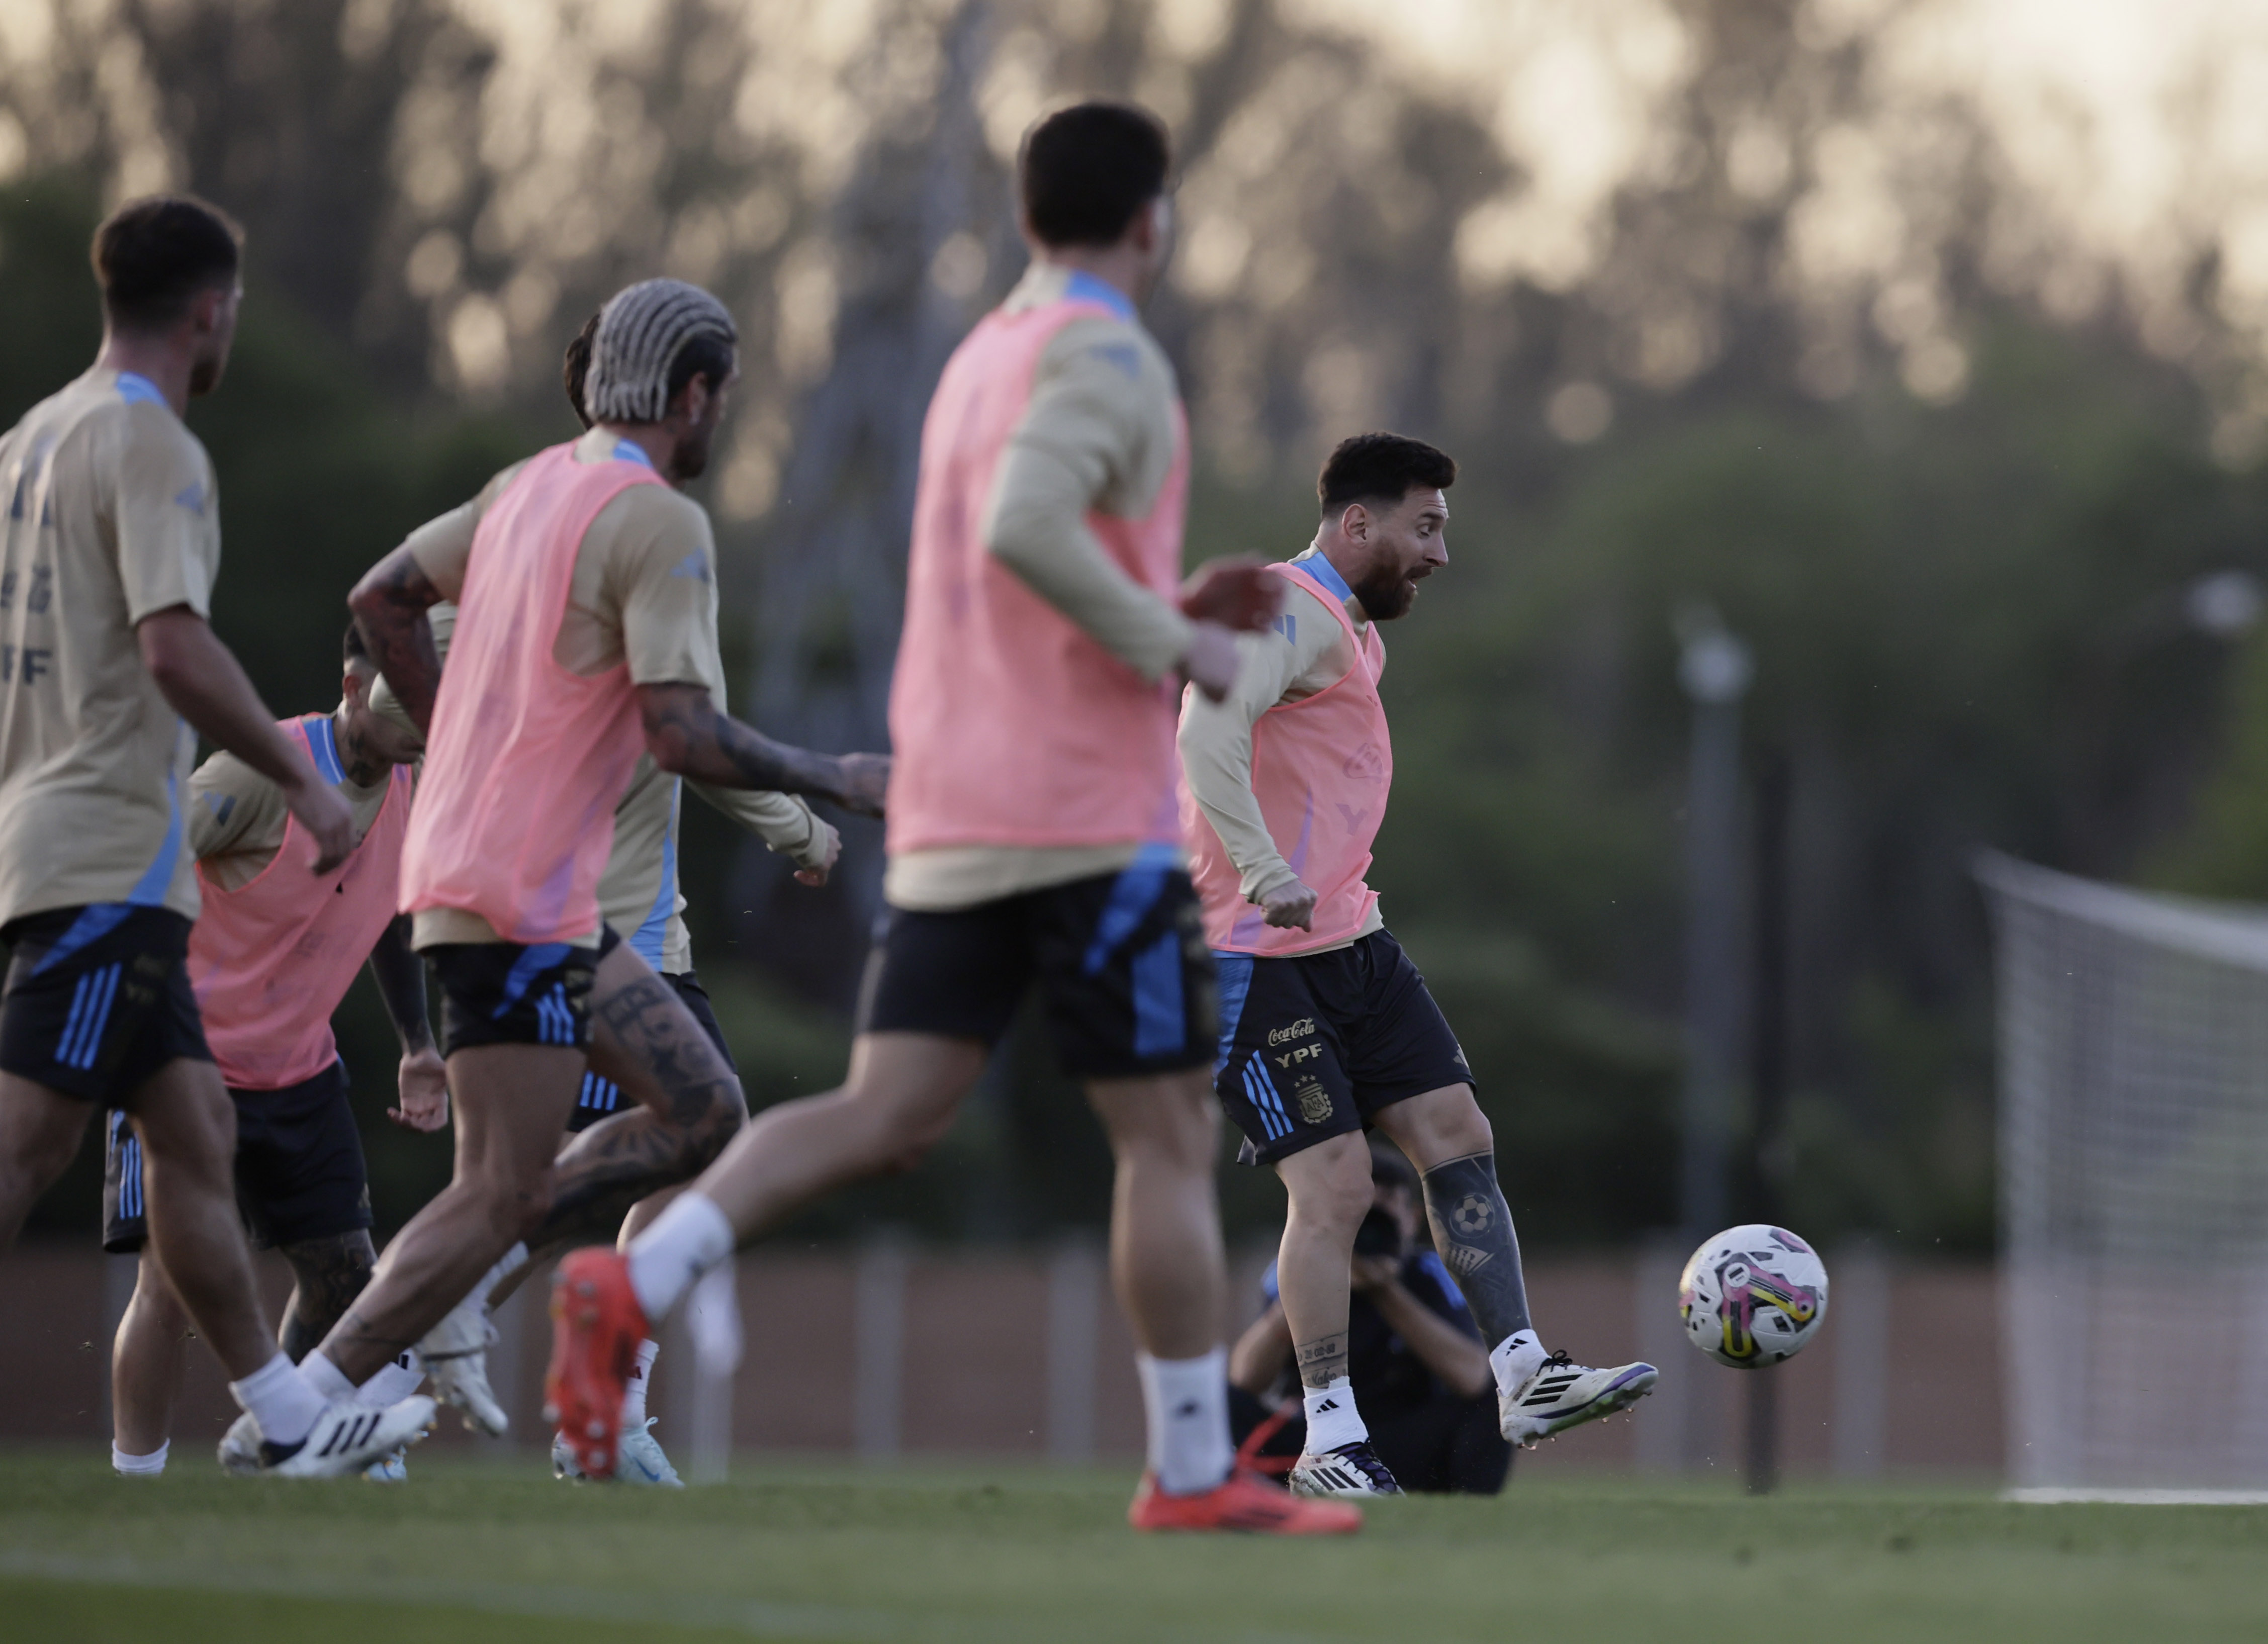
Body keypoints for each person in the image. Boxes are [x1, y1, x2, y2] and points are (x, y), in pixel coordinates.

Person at [545, 101, 1357, 1536]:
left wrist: (1165, 606)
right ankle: (1185, 1470)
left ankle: (635, 1275)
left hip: (953, 804)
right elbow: (1025, 533)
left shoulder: (984, 354)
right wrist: (1185, 648)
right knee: (1165, 1133)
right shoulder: (1107, 352)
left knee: (887, 1107)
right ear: (1150, 217)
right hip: (1083, 820)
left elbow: (1019, 562)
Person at [287, 276, 887, 1431]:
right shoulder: (657, 519)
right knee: (506, 1192)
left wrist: (458, 721)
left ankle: (337, 1381)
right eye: (725, 400)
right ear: (696, 393)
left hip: (507, 892)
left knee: (698, 1112)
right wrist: (838, 778)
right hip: (515, 895)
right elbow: (683, 733)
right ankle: (313, 1398)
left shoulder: (524, 488)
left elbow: (380, 598)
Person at [0, 194, 432, 1475]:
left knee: (194, 1134)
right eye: (235, 304)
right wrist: (294, 785)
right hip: (105, 852)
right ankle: (282, 1425)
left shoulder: (30, 438)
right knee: (28, 1143)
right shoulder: (158, 449)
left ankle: (289, 1425)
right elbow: (174, 649)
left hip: (59, 836)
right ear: (210, 310)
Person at [1178, 432, 1656, 1498]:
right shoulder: (1281, 607)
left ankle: (1523, 1373)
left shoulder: (1342, 628)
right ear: (1357, 524)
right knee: (1336, 1187)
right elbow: (1202, 734)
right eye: (1423, 527)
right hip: (1248, 954)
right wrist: (1259, 871)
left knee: (1456, 1135)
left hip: (1348, 939)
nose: (1438, 554)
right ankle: (1330, 1443)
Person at [105, 622, 443, 1480]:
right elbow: (147, 865)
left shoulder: (412, 788)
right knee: (170, 1287)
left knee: (344, 1278)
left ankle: (283, 1448)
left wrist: (418, 1044)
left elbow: (396, 918)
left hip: (301, 1070)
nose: (415, 713)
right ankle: (134, 1485)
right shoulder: (263, 772)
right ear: (350, 679)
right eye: (398, 691)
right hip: (187, 1066)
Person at [1229, 1139, 1511, 1495]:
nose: (1367, 1230)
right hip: (1309, 1438)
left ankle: (1472, 1505)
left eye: (1381, 1217)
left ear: (1411, 1219)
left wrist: (1386, 1290)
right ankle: (1238, 1488)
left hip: (1402, 1434)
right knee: (1220, 1398)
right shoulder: (1294, 1270)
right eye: (1358, 1218)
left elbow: (1472, 1378)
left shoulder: (1428, 1272)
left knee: (1496, 1392)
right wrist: (1313, 1284)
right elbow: (1243, 1379)